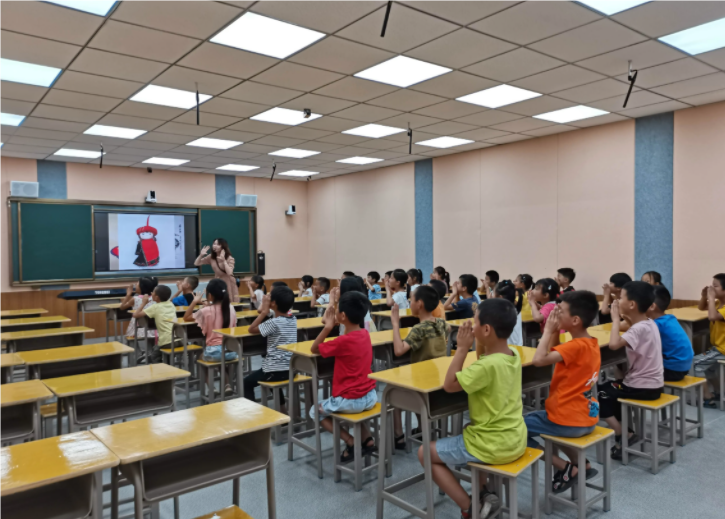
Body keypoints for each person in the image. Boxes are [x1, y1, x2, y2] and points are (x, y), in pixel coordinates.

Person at [423, 299, 526, 519]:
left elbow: (450, 385)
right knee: (470, 427)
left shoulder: (486, 367)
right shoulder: (512, 356)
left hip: (492, 446)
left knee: (424, 453)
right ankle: (483, 493)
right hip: (515, 439)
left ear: (486, 329)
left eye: (475, 321)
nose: (472, 325)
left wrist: (461, 349)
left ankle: (470, 507)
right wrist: (478, 340)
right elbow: (483, 358)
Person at [526, 291, 601, 493]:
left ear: (575, 320)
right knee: (540, 420)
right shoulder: (591, 343)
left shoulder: (574, 346)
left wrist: (547, 330)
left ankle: (565, 467)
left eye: (561, 311)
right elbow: (554, 350)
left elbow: (539, 360)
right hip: (586, 417)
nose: (555, 314)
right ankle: (582, 463)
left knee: (513, 431)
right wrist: (555, 332)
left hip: (567, 420)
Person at [310, 292, 378, 462]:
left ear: (343, 316)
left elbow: (314, 348)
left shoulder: (342, 342)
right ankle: (368, 440)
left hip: (351, 401)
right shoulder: (365, 334)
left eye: (338, 310)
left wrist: (327, 327)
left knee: (315, 411)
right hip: (370, 396)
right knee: (357, 405)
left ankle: (350, 441)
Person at [599, 281, 663, 459]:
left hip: (641, 386)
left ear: (632, 304)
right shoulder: (648, 323)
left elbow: (613, 345)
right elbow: (631, 326)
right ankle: (626, 431)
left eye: (621, 298)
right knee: (613, 389)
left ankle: (622, 433)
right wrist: (624, 317)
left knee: (599, 393)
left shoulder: (638, 329)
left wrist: (615, 320)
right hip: (653, 385)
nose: (618, 301)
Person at [391, 286, 450, 449]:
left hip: (421, 385)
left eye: (411, 299)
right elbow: (449, 329)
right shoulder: (442, 323)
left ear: (420, 304)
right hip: (437, 380)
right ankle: (423, 428)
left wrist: (395, 324)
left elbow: (398, 351)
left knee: (392, 394)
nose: (409, 303)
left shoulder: (419, 329)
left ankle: (399, 437)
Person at [243, 286, 297, 405]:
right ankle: (283, 410)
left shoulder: (274, 323)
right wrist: (268, 306)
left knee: (246, 383)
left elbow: (251, 329)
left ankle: (252, 414)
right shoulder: (293, 319)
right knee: (270, 376)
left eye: (270, 297)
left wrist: (264, 311)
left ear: (273, 303)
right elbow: (276, 314)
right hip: (291, 369)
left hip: (276, 370)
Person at [184, 279, 238, 394]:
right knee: (220, 357)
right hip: (232, 352)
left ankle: (212, 388)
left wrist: (195, 301)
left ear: (209, 295)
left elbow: (186, 317)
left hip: (214, 352)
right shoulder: (231, 308)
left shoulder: (205, 311)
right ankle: (227, 385)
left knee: (200, 357)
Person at [648, 286, 693, 383]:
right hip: (683, 367)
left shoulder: (656, 324)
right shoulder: (669, 318)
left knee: (638, 371)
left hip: (672, 369)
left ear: (652, 306)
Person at [694, 273, 725, 407]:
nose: (712, 288)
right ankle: (719, 392)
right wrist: (704, 296)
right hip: (718, 348)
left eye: (715, 286)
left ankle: (707, 397)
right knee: (709, 369)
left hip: (722, 350)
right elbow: (701, 307)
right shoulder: (719, 303)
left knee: (694, 364)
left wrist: (711, 298)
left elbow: (712, 317)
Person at [132, 284, 176, 364]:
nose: (151, 293)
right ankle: (168, 365)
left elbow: (135, 315)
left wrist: (143, 303)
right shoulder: (171, 304)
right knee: (157, 348)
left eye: (153, 292)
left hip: (167, 341)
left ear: (156, 297)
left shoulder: (155, 307)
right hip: (179, 338)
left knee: (154, 357)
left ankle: (162, 369)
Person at [120, 276, 159, 361]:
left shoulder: (136, 299)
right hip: (156, 329)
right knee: (150, 337)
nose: (135, 286)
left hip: (139, 329)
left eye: (137, 284)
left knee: (128, 336)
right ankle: (150, 353)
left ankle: (139, 354)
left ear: (142, 287)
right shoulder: (156, 298)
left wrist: (128, 295)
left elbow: (122, 307)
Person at [195, 238, 239, 302]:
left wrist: (224, 261)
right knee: (217, 301)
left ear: (223, 246)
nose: (215, 246)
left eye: (218, 244)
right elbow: (196, 263)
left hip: (228, 282)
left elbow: (229, 273)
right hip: (217, 281)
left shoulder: (230, 258)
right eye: (214, 244)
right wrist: (201, 255)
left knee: (228, 301)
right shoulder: (211, 257)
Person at [493, 280, 523, 346]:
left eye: (493, 294)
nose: (492, 297)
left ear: (500, 298)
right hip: (517, 348)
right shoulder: (515, 309)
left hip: (507, 349)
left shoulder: (500, 313)